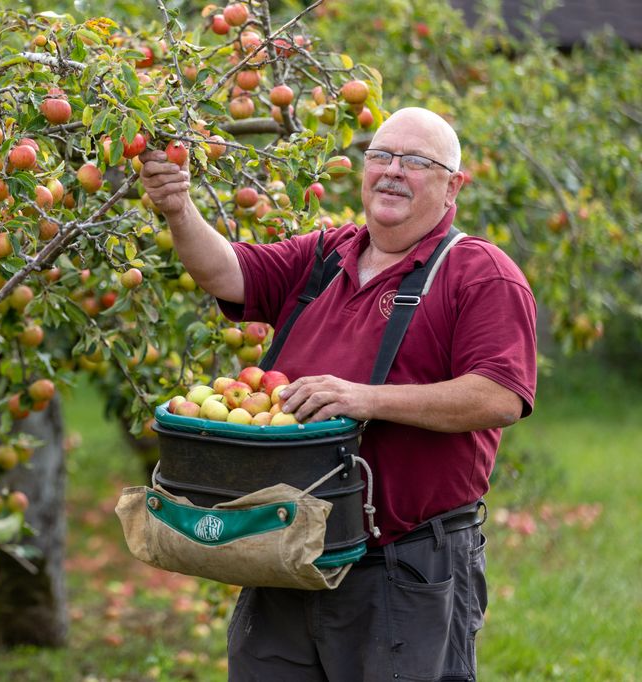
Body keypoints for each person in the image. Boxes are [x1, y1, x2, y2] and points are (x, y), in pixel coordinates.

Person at [139, 107, 537, 681]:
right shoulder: (326, 256)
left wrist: (367, 399)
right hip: (283, 548)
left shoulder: (477, 273)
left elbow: (499, 395)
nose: (393, 171)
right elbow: (228, 274)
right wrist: (178, 208)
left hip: (400, 565)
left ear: (453, 186)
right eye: (382, 155)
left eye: (417, 161)